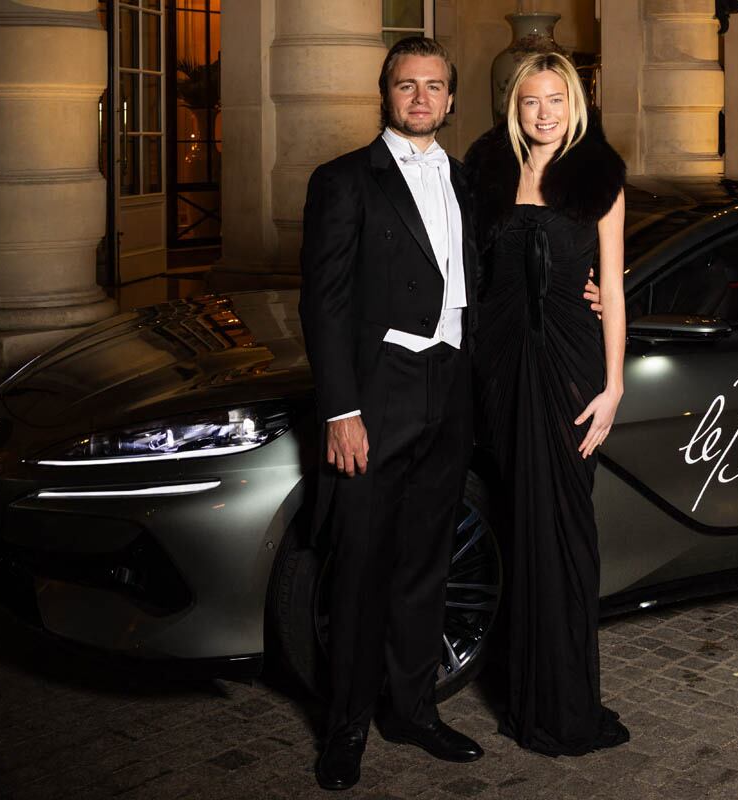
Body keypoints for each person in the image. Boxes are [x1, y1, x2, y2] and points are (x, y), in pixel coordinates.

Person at [298, 37, 482, 791]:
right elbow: (324, 303)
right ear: (386, 93)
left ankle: (412, 710)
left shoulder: (466, 179)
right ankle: (345, 729)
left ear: (450, 98)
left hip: (450, 389)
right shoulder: (344, 180)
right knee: (361, 570)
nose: (421, 98)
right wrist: (341, 410)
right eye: (407, 85)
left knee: (425, 565)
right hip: (378, 396)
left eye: (434, 86)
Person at [465, 51, 630, 756]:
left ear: (575, 105)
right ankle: (525, 695)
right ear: (515, 107)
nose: (544, 113)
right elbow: (466, 273)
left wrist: (614, 386)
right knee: (518, 525)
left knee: (565, 528)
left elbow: (612, 288)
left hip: (570, 366)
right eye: (532, 100)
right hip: (501, 366)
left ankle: (566, 703)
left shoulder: (599, 176)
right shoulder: (486, 173)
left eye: (556, 100)